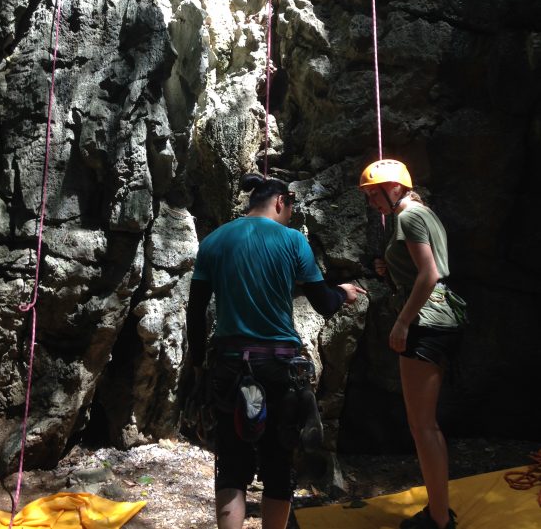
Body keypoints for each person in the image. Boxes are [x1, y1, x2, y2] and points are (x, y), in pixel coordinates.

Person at [186, 173, 367, 529]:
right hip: (280, 366)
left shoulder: (214, 241)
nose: (289, 218)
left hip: (230, 362)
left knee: (232, 466)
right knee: (277, 461)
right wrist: (343, 293)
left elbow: (195, 311)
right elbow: (324, 303)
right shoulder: (293, 242)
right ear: (280, 202)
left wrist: (197, 365)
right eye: (289, 210)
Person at [358, 159, 466, 529]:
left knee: (422, 426)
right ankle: (438, 511)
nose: (372, 201)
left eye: (375, 194)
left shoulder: (408, 217)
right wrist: (394, 268)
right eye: (369, 196)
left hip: (426, 320)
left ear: (396, 188)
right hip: (442, 316)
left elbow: (431, 272)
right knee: (425, 424)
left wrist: (403, 321)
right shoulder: (425, 213)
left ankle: (438, 519)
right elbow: (425, 266)